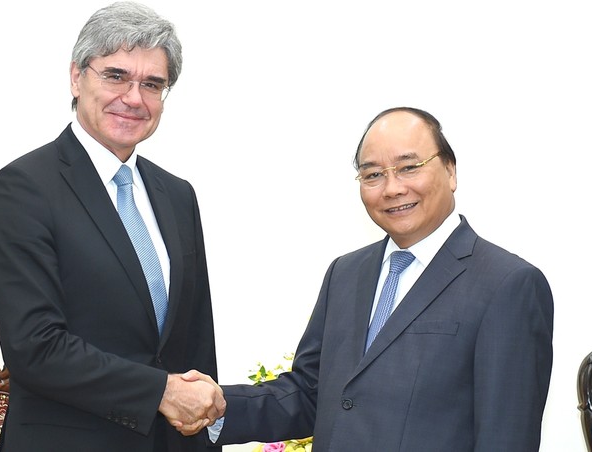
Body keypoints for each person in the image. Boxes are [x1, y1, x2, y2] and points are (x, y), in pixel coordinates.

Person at [207, 107, 554, 451]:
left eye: (408, 168)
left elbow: (506, 439)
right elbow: (310, 393)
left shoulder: (508, 284)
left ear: (450, 171)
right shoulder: (345, 273)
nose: (391, 188)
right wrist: (215, 406)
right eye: (373, 175)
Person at [0, 2, 224, 451]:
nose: (134, 98)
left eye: (152, 84)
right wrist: (162, 391)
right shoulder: (24, 187)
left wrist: (206, 430)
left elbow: (195, 342)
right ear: (76, 77)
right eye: (116, 76)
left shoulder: (178, 195)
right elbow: (34, 347)